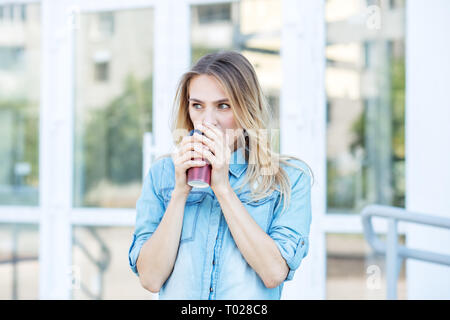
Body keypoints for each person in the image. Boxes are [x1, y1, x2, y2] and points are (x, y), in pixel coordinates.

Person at [128, 50, 313, 299]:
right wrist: (180, 193)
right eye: (197, 106)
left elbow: (273, 273)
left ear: (247, 108)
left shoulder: (288, 179)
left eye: (223, 106)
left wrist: (223, 188)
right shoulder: (162, 174)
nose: (207, 121)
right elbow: (150, 278)